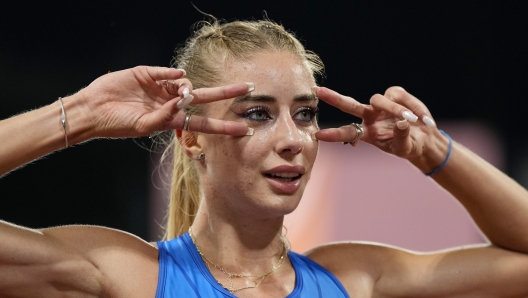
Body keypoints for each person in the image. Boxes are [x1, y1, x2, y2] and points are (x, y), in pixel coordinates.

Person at [1, 18, 528, 298]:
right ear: (191, 138)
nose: (293, 139)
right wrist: (80, 114)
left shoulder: (357, 279)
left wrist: (434, 151)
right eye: (257, 114)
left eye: (304, 114)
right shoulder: (126, 276)